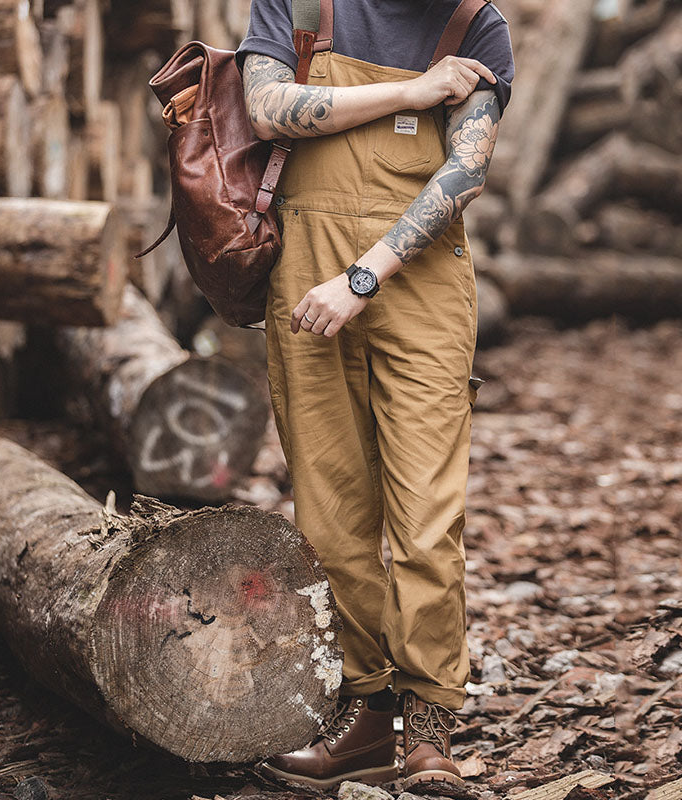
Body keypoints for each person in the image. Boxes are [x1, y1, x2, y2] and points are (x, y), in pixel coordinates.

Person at [235, 0, 514, 790]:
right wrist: (410, 91)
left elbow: (466, 170)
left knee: (428, 513)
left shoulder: (476, 26)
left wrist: (367, 274)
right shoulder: (299, 4)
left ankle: (428, 728)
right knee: (329, 514)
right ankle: (366, 719)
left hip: (417, 281)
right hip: (302, 272)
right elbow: (264, 107)